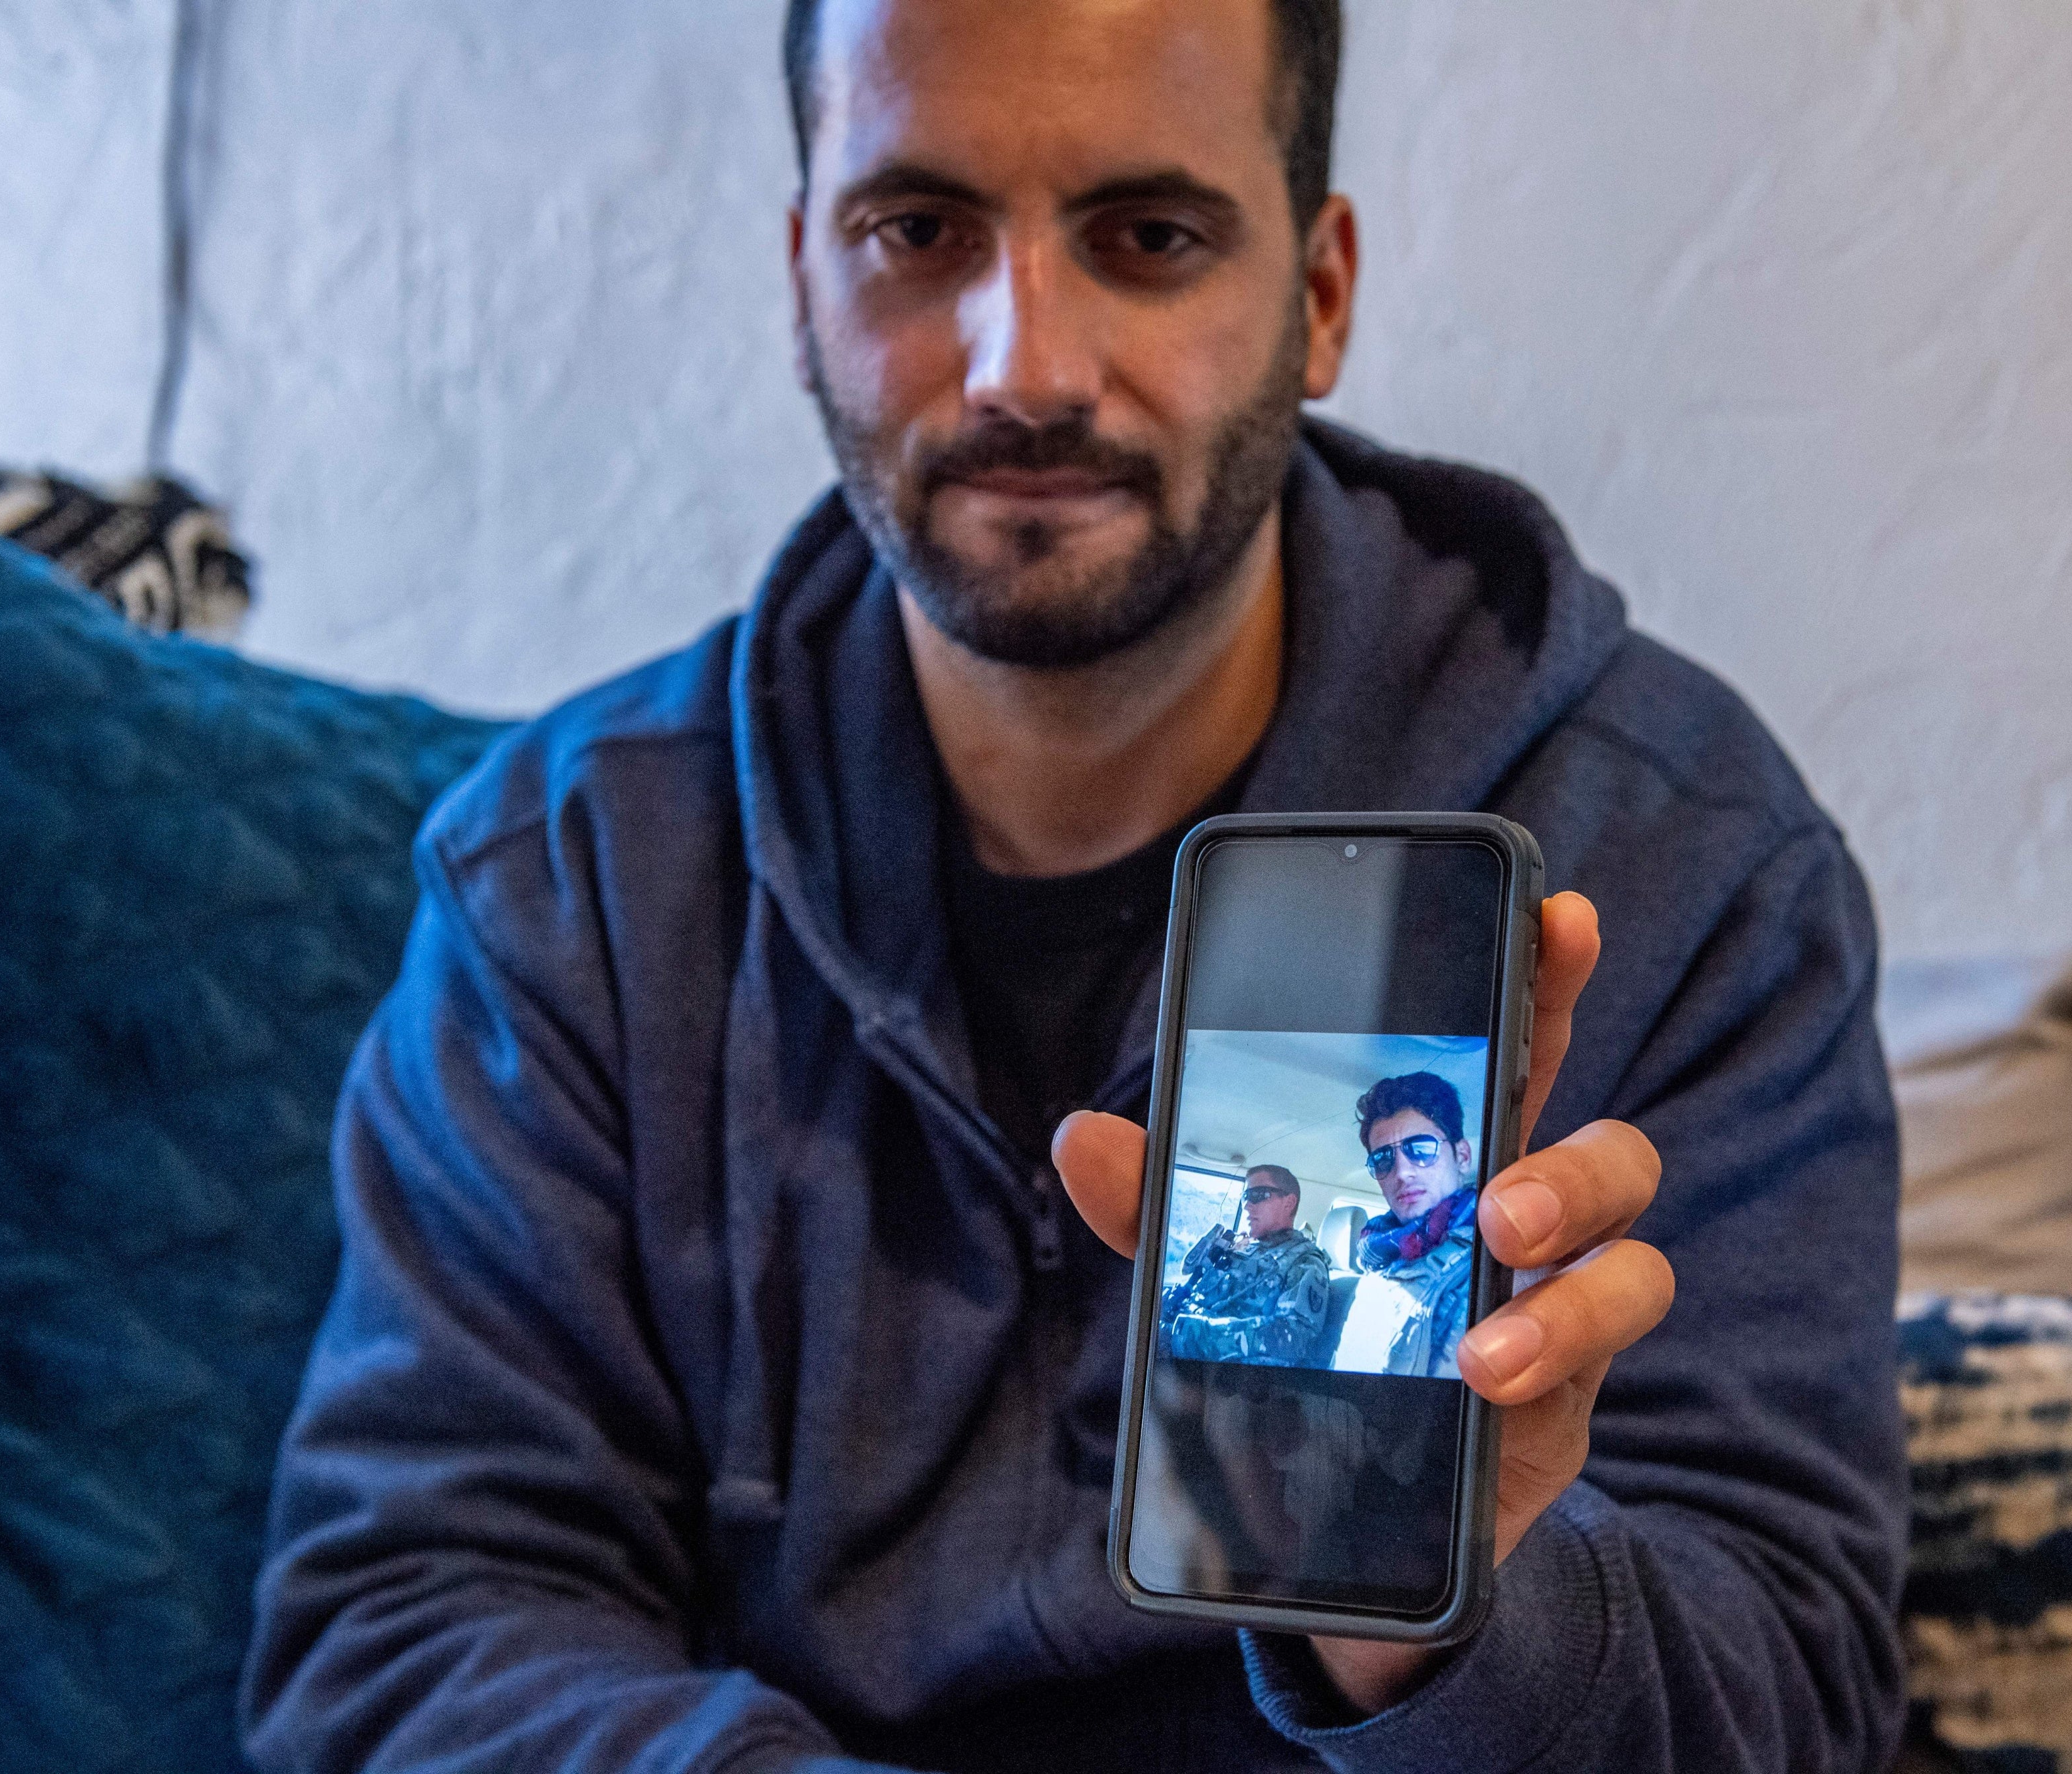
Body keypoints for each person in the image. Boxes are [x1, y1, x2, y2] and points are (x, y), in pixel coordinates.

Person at [241, 1, 1910, 1769]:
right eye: (919, 233)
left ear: (1321, 293)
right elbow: (402, 1629)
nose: (1023, 362)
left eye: (1148, 237)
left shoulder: (1685, 861)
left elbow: (1798, 1698)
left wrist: (1459, 1613)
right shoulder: (571, 879)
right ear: (802, 272)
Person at [1350, 1075, 1477, 1378]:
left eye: (1420, 1149)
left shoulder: (1497, 1255)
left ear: (1462, 1157)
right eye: (1382, 1160)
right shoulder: (1374, 1262)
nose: (1402, 1172)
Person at [1160, 1164, 1333, 1366]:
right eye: (1245, 1197)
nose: (1247, 1206)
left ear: (1289, 1203)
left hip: (1217, 1375)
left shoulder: (1305, 1262)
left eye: (1258, 1195)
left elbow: (1291, 1339)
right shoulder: (1244, 1249)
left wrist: (1180, 1335)